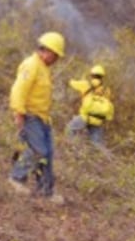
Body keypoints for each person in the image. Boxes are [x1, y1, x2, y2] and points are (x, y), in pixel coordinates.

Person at [8, 31, 66, 203]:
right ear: (47, 51)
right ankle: (16, 178)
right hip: (31, 117)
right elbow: (19, 89)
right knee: (38, 150)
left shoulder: (43, 68)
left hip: (42, 118)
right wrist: (18, 113)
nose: (56, 60)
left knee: (47, 154)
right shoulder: (31, 65)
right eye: (55, 55)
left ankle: (46, 191)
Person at [65, 64, 114, 148]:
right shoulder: (107, 90)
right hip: (97, 120)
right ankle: (100, 158)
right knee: (97, 145)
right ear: (102, 76)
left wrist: (80, 77)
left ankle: (72, 148)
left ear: (91, 75)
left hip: (84, 117)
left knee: (69, 129)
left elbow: (71, 83)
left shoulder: (85, 84)